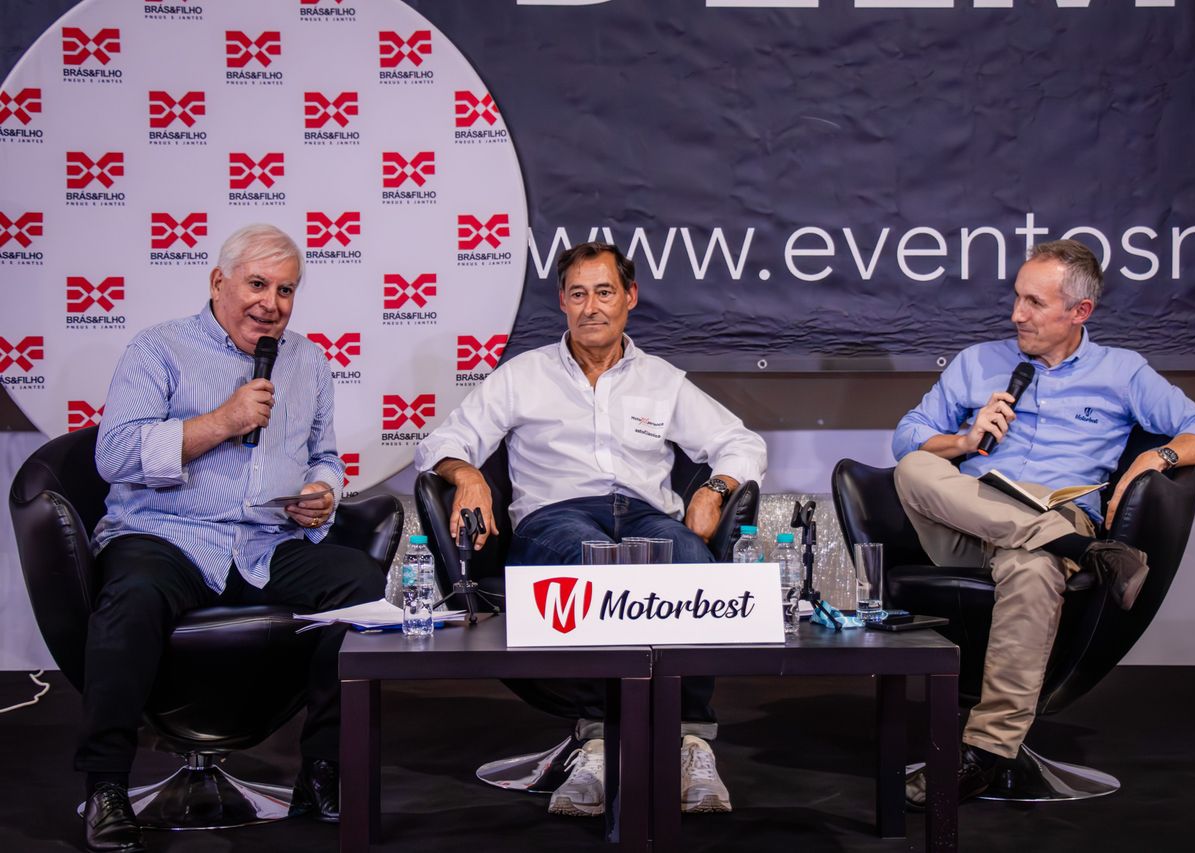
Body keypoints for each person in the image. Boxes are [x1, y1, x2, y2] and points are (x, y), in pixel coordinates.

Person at [415, 241, 767, 817]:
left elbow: (741, 443)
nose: (591, 306)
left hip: (647, 514)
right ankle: (599, 742)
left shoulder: (661, 379)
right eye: (578, 294)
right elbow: (443, 441)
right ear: (562, 302)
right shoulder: (522, 375)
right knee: (595, 562)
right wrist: (468, 475)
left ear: (630, 297)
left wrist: (715, 489)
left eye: (604, 292)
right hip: (556, 518)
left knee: (689, 563)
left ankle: (691, 741)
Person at [891, 239, 1195, 808]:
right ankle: (1079, 548)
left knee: (1032, 569)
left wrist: (1156, 457)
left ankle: (986, 753)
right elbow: (908, 435)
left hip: (1056, 509)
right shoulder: (977, 361)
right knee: (915, 468)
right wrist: (965, 440)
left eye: (1034, 302)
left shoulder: (1122, 372)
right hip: (972, 513)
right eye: (1016, 298)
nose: (1016, 314)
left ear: (1080, 311)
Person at [79, 224, 386, 852]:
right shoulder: (159, 348)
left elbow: (325, 456)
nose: (270, 304)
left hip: (264, 543)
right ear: (218, 282)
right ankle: (106, 785)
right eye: (257, 285)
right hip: (168, 535)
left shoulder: (307, 361)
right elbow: (113, 455)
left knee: (358, 584)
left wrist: (323, 491)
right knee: (132, 596)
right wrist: (223, 421)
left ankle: (323, 770)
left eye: (285, 290)